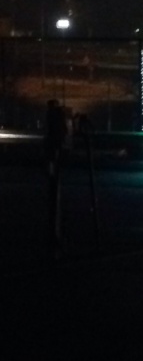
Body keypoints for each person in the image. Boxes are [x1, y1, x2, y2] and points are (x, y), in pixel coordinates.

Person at [44, 100, 68, 256]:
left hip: (53, 143)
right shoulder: (60, 114)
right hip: (56, 143)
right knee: (54, 163)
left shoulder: (52, 114)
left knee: (52, 164)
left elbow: (51, 129)